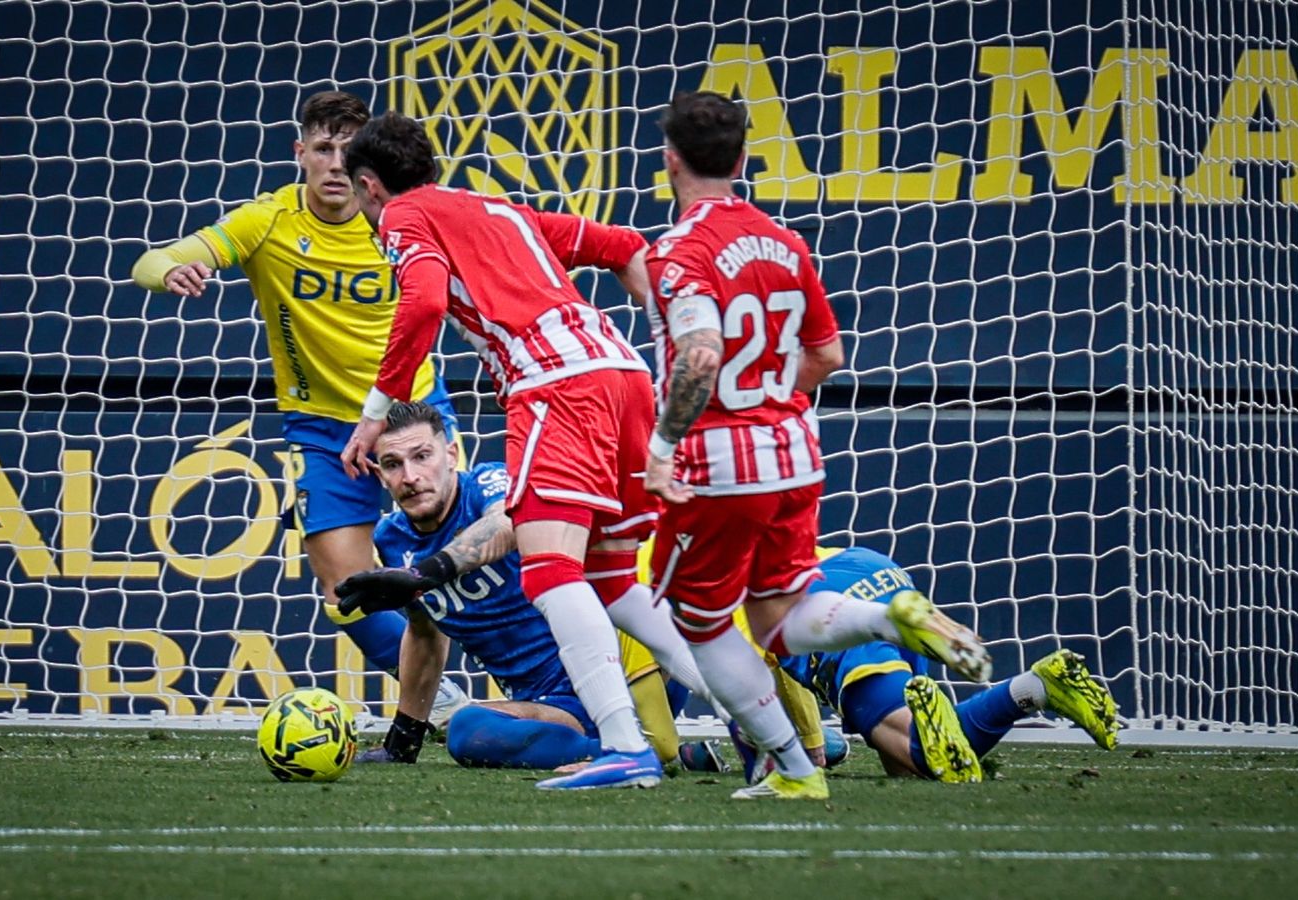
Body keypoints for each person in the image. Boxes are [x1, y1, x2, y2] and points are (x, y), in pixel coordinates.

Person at [336, 111, 714, 790]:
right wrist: (669, 338)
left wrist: (374, 415)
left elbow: (422, 304)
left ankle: (624, 746)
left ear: (369, 186)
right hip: (622, 372)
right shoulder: (498, 210)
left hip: (555, 383)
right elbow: (626, 246)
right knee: (610, 578)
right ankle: (758, 725)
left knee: (547, 571)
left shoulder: (402, 215)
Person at [641, 91, 991, 800]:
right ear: (743, 159)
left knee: (698, 623)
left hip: (722, 461)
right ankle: (890, 616)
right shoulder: (785, 243)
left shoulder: (679, 250)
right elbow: (828, 355)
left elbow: (701, 354)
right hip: (794, 453)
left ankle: (796, 769)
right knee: (777, 618)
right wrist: (768, 395)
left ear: (670, 161)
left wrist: (663, 444)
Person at [130, 91, 466, 720]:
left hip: (411, 417)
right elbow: (155, 258)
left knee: (470, 574)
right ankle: (440, 704)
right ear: (300, 153)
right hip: (322, 431)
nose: (336, 165)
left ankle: (552, 687)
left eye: (349, 152)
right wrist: (171, 271)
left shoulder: (398, 219)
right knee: (347, 594)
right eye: (323, 149)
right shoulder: (269, 221)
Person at [338, 401, 722, 771]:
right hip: (552, 708)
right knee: (469, 729)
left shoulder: (488, 485)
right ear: (381, 475)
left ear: (452, 455)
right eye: (393, 464)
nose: (410, 476)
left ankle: (656, 744)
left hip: (626, 668)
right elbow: (424, 634)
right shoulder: (392, 540)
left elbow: (505, 524)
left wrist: (426, 573)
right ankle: (651, 750)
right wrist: (403, 740)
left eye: (422, 456)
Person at [766, 546, 1121, 783]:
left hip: (821, 601)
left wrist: (811, 743)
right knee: (909, 769)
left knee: (923, 754)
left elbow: (775, 677)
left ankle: (1035, 688)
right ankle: (1029, 690)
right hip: (874, 569)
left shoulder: (737, 602)